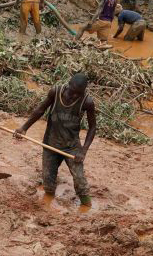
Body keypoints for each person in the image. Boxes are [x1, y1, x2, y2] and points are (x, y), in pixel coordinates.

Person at [14, 74, 97, 206]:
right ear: (68, 86)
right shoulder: (56, 92)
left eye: (78, 94)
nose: (74, 96)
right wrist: (24, 128)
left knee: (80, 180)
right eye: (73, 93)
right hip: (50, 143)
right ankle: (47, 205)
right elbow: (40, 110)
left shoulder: (87, 102)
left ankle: (87, 207)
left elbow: (92, 127)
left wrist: (83, 151)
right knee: (48, 181)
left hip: (72, 147)